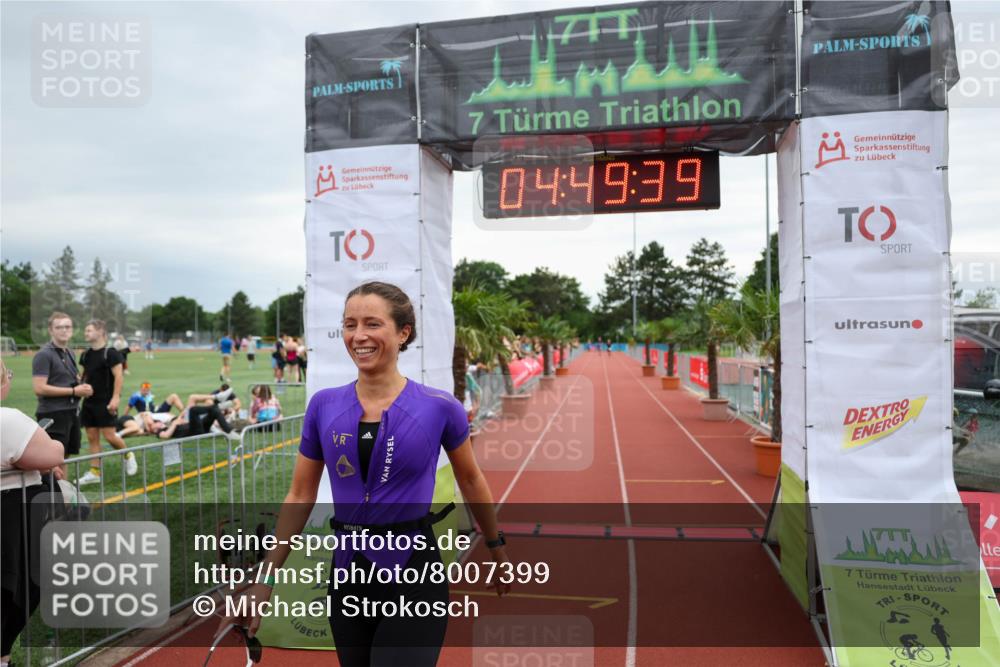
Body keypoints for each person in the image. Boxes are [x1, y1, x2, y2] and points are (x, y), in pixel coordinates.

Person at [217, 281, 510, 666]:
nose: (358, 336)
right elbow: (300, 495)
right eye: (350, 324)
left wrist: (496, 547)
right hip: (348, 573)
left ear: (403, 333)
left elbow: (471, 480)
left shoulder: (440, 407)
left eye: (372, 324)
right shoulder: (324, 406)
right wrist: (264, 580)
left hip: (414, 571)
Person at [1, 360, 66, 667]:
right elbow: (53, 453)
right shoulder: (8, 419)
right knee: (17, 588)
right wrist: (47, 450)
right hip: (13, 512)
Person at [76, 320, 137, 485]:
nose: (86, 333)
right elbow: (84, 375)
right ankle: (95, 472)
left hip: (106, 401)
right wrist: (80, 384)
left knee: (110, 436)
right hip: (89, 402)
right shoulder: (86, 354)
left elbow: (119, 376)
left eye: (89, 330)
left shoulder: (111, 353)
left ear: (100, 332)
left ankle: (128, 455)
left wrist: (116, 398)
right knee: (91, 437)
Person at [32, 312, 90, 477]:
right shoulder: (44, 354)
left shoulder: (69, 352)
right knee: (52, 460)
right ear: (51, 330)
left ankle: (64, 492)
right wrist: (73, 391)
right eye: (59, 327)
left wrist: (82, 387)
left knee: (65, 456)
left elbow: (69, 379)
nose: (64, 330)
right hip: (53, 413)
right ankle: (54, 495)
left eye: (67, 326)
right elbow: (39, 388)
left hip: (71, 410)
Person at [158, 404, 239, 441]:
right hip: (193, 433)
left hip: (199, 427)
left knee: (214, 411)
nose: (160, 422)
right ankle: (216, 406)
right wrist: (175, 423)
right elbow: (165, 436)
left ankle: (229, 431)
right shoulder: (160, 431)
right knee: (193, 410)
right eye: (157, 423)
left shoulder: (169, 424)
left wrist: (180, 419)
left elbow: (186, 421)